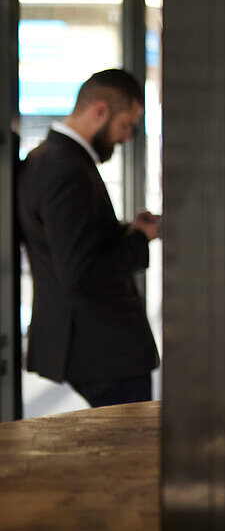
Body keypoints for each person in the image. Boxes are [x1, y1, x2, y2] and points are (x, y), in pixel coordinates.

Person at [17, 68, 160, 408]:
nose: (126, 138)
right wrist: (140, 240)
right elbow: (80, 271)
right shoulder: (65, 170)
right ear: (100, 111)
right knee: (129, 457)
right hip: (103, 351)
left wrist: (128, 230)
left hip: (93, 347)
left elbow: (74, 242)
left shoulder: (47, 159)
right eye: (125, 125)